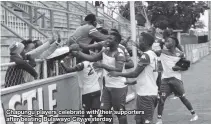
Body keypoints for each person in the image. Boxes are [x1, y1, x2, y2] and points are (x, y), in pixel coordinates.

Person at [70, 32, 128, 124]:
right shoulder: (105, 50)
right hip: (107, 86)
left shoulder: (119, 53)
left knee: (119, 112)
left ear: (116, 41)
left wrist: (102, 65)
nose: (107, 40)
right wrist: (79, 53)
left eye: (110, 39)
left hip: (119, 86)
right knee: (105, 111)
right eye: (107, 38)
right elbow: (92, 58)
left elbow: (119, 70)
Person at [108, 32, 158, 124]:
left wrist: (118, 74)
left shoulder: (146, 55)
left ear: (146, 42)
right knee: (138, 119)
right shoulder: (153, 55)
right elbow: (150, 75)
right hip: (145, 93)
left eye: (140, 41)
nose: (139, 43)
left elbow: (135, 73)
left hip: (146, 94)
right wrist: (134, 82)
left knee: (147, 121)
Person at [156, 36, 198, 124]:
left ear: (174, 43)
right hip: (165, 80)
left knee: (183, 98)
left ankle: (194, 114)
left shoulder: (180, 54)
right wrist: (162, 41)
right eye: (166, 41)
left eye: (169, 41)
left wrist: (178, 68)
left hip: (176, 80)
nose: (167, 43)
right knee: (162, 99)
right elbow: (152, 50)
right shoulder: (162, 52)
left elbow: (186, 67)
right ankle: (159, 120)